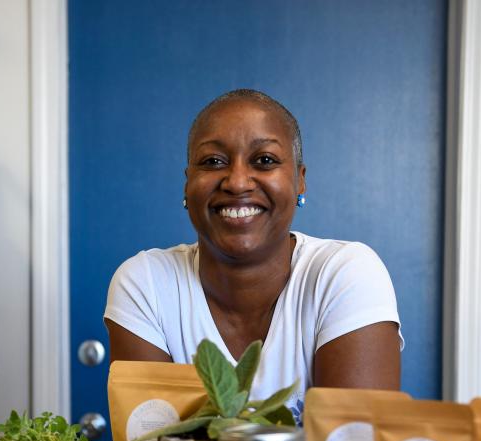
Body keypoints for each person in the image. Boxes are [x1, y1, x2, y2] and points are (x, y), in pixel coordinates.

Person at [104, 89, 401, 421]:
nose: (237, 182)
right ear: (188, 184)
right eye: (213, 161)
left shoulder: (346, 275)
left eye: (265, 161)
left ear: (300, 181)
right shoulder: (146, 285)